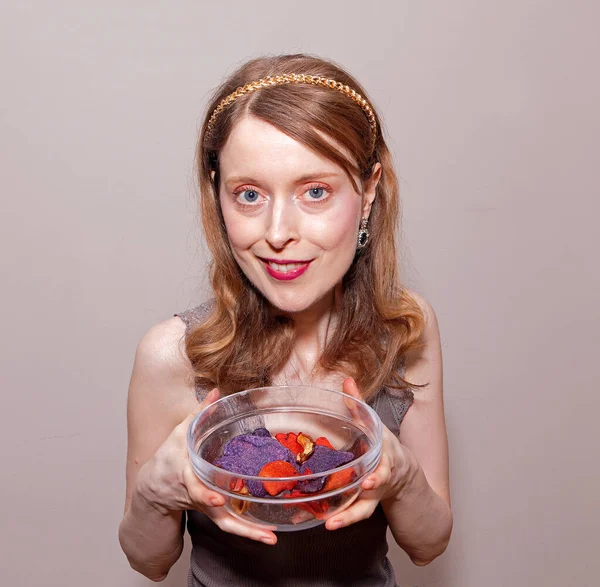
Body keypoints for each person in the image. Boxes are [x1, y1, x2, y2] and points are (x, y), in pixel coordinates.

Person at [118, 54, 452, 586]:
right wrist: (156, 492)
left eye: (314, 191)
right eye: (249, 194)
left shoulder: (406, 328)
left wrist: (400, 475)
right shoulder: (172, 355)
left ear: (368, 191)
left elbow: (429, 543)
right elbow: (148, 560)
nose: (277, 232)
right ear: (217, 194)